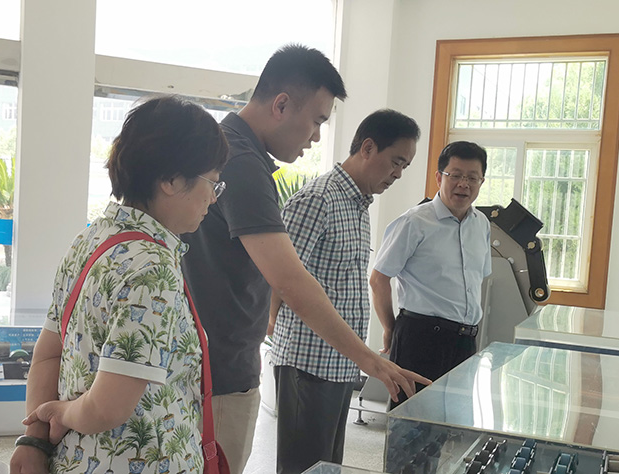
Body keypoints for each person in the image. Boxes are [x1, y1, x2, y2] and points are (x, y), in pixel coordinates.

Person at [181, 44, 429, 473]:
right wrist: (371, 360)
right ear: (281, 105)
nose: (316, 137)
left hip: (228, 362)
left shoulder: (239, 153)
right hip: (223, 370)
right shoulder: (242, 161)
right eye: (316, 121)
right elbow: (290, 281)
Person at [9, 95, 229, 474]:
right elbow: (107, 407)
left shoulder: (90, 239)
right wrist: (63, 411)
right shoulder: (152, 267)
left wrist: (36, 437)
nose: (213, 197)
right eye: (212, 182)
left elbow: (47, 354)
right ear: (171, 180)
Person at [269, 109, 420, 473]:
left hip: (339, 362)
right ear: (368, 148)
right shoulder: (317, 199)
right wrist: (271, 325)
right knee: (304, 467)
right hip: (307, 363)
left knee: (326, 466)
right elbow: (278, 278)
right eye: (396, 162)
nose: (398, 174)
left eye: (405, 166)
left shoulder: (357, 204)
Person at [370, 141, 492, 409]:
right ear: (439, 177)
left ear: (481, 182)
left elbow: (478, 278)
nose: (464, 184)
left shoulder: (481, 224)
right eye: (456, 175)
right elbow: (379, 278)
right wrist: (390, 328)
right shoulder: (414, 222)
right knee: (411, 419)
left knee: (453, 419)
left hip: (465, 341)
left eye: (472, 178)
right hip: (421, 338)